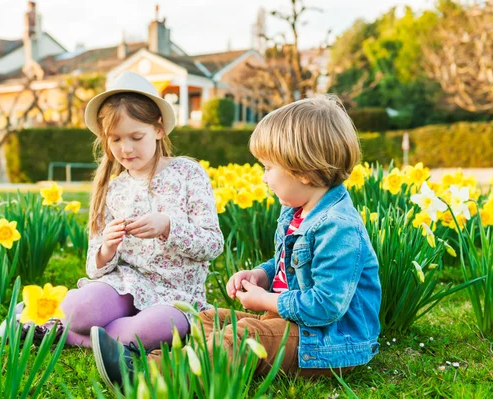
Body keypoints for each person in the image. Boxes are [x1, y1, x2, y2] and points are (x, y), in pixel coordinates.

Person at [92, 94, 381, 385]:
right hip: (289, 325)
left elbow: (326, 306)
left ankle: (149, 376)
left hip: (323, 342)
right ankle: (153, 361)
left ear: (302, 172)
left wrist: (265, 300)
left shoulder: (338, 228)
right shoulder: (297, 212)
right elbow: (289, 266)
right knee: (206, 319)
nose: (265, 179)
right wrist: (261, 275)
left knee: (244, 337)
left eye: (268, 168)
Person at [62, 72, 223, 386]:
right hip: (127, 283)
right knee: (76, 308)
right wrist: (107, 248)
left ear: (159, 129)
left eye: (136, 137)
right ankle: (73, 325)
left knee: (141, 331)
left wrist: (168, 227)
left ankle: (64, 333)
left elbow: (213, 244)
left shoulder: (188, 173)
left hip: (177, 294)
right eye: (116, 139)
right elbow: (95, 267)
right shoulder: (113, 189)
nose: (126, 149)